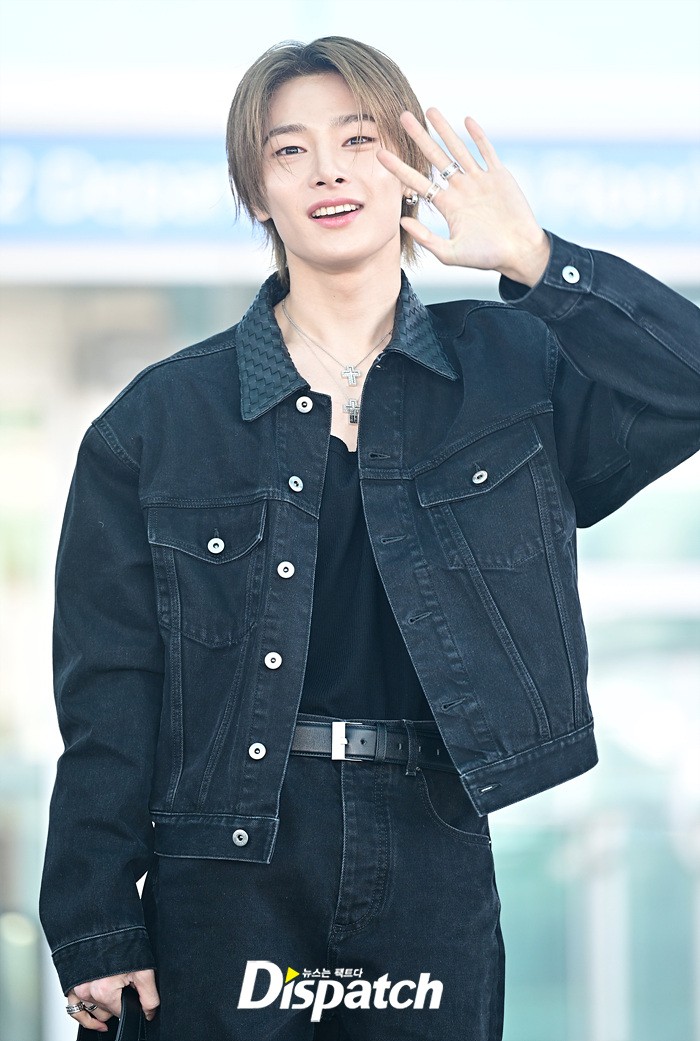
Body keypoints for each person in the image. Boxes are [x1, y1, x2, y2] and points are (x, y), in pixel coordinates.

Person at [39, 35, 700, 1041]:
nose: (328, 171)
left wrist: (536, 259)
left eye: (357, 140)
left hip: (433, 844)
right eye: (289, 150)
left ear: (408, 165)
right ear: (258, 193)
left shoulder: (513, 370)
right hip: (227, 865)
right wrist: (95, 922)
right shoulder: (158, 422)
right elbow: (110, 693)